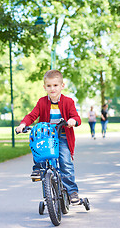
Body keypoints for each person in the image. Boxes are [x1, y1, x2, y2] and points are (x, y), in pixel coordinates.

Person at [15, 70, 82, 205]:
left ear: (62, 85)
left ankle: (72, 192)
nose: (52, 89)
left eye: (55, 85)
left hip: (62, 136)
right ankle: (39, 171)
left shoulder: (68, 102)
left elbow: (76, 117)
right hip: (46, 136)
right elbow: (32, 116)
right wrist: (23, 124)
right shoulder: (42, 102)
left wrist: (73, 121)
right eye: (49, 86)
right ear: (44, 87)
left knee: (65, 163)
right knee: (39, 150)